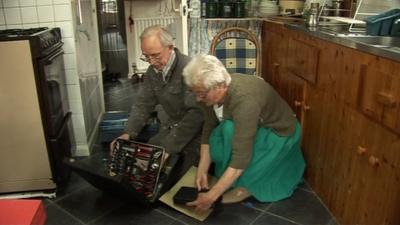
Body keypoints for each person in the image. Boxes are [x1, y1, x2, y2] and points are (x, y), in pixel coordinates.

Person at [182, 54, 306, 210]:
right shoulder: (207, 92)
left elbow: (241, 157)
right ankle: (230, 178)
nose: (198, 99)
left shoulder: (244, 101)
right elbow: (209, 126)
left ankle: (244, 185)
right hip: (251, 126)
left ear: (220, 86)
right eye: (195, 93)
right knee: (224, 132)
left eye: (201, 94)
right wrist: (202, 168)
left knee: (231, 135)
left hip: (277, 133)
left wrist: (212, 196)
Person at [110, 25, 203, 175]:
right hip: (172, 126)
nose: (151, 62)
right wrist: (127, 133)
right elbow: (143, 104)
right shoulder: (152, 71)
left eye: (156, 55)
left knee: (183, 174)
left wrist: (169, 148)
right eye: (146, 56)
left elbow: (196, 115)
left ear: (170, 47)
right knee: (146, 158)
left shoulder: (189, 69)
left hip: (197, 131)